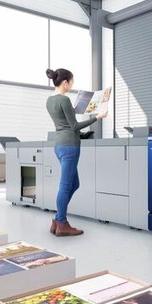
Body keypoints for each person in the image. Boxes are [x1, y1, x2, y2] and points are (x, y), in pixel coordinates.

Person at [45, 68, 108, 237]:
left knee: (74, 184)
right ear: (65, 82)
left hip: (59, 145)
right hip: (70, 146)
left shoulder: (49, 100)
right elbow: (74, 126)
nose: (72, 85)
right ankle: (62, 223)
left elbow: (64, 122)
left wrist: (72, 110)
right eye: (71, 82)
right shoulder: (64, 100)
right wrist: (97, 117)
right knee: (66, 185)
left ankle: (57, 220)